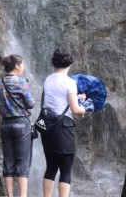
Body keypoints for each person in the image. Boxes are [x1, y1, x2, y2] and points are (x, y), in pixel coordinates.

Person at [41, 48, 86, 197]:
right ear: (70, 64)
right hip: (63, 128)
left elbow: (55, 100)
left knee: (51, 168)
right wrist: (84, 108)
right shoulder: (69, 82)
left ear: (54, 63)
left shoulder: (48, 79)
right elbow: (74, 109)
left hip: (47, 128)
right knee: (65, 169)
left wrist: (76, 97)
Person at [0, 54, 36, 197]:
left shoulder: (0, 82)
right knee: (22, 163)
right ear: (17, 66)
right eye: (23, 64)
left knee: (8, 163)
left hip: (5, 124)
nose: (24, 67)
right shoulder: (21, 82)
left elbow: (0, 104)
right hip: (21, 125)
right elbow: (31, 104)